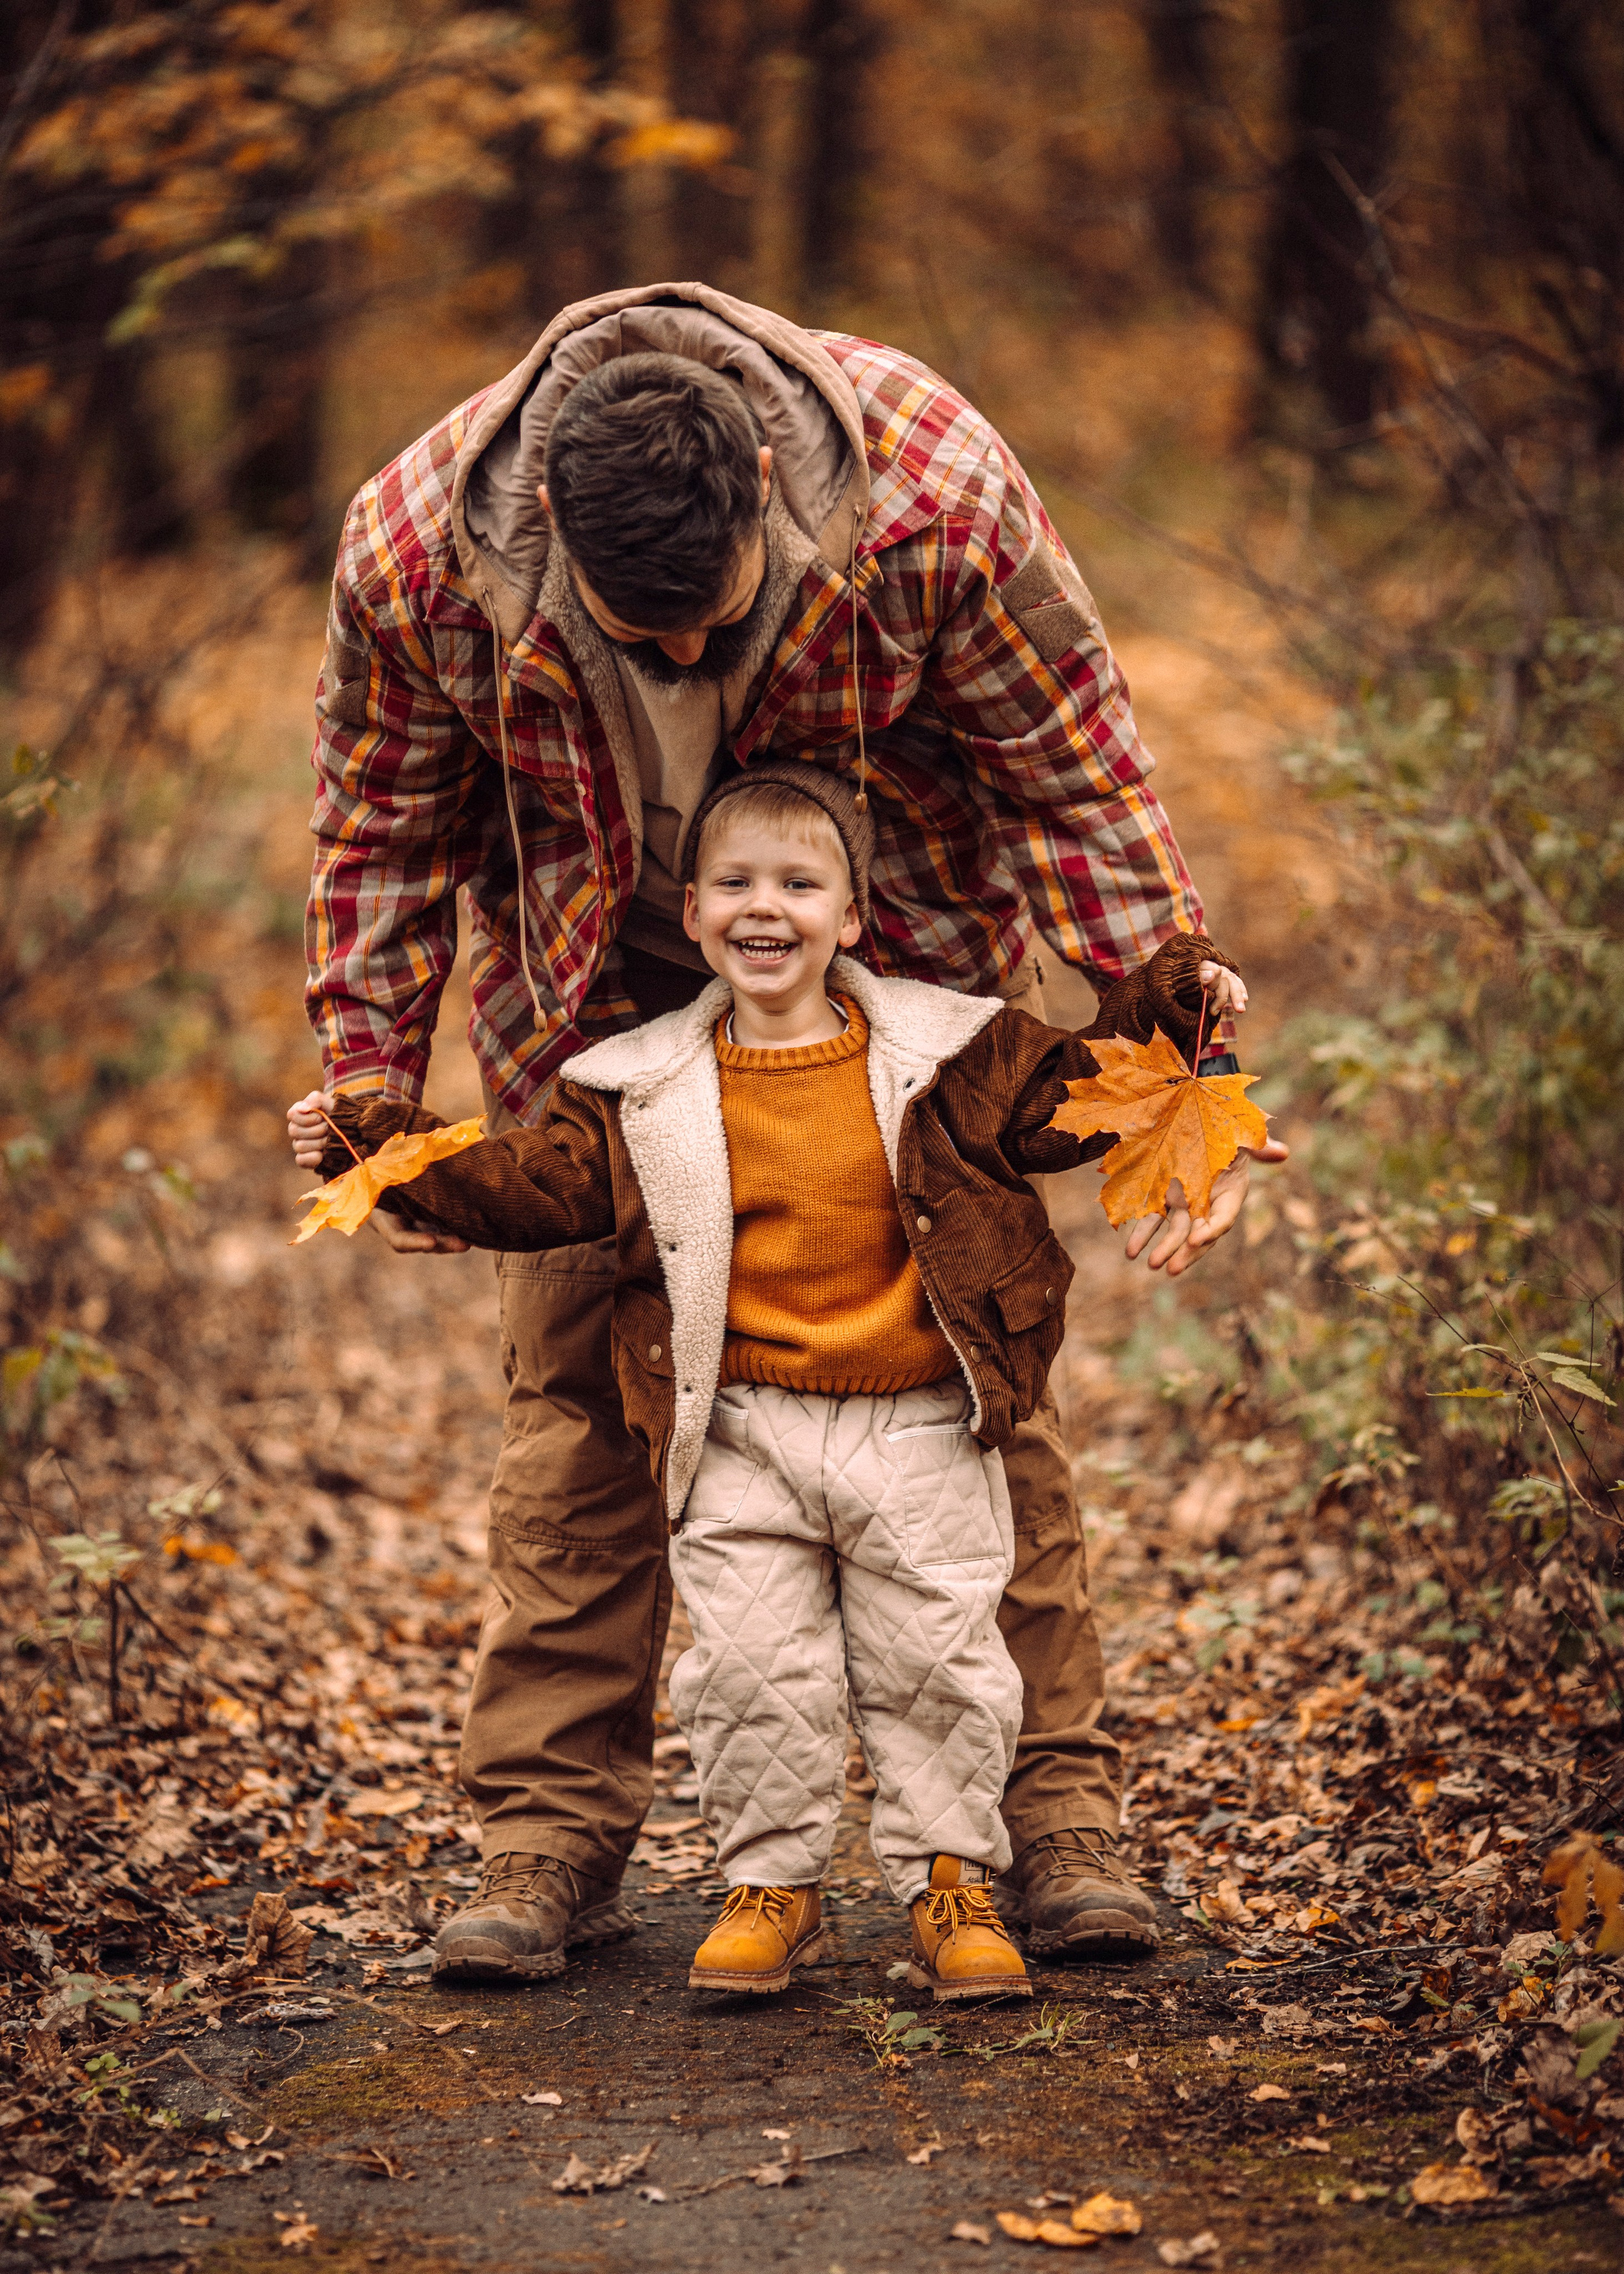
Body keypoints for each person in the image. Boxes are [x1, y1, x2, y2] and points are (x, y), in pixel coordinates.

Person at [303, 281, 1285, 1983]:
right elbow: (383, 834)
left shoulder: (934, 498)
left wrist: (1174, 1062)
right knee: (579, 1411)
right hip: (592, 1005)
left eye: (711, 618)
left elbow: (1075, 777)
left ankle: (1052, 1817)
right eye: (641, 631)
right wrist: (379, 1104)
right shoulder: (415, 560)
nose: (683, 660)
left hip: (906, 991)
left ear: (765, 482)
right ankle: (547, 1836)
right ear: (553, 532)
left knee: (969, 1390)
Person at [290, 761, 1252, 1998]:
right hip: (742, 1435)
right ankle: (773, 1888)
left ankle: (951, 1886)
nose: (766, 906)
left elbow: (1084, 1099)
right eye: (735, 883)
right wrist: (377, 1146)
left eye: (799, 884)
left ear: (852, 915)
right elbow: (535, 1186)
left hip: (918, 1428)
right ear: (690, 914)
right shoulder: (633, 1085)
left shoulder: (956, 1050)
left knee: (940, 1667)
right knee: (752, 1673)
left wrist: (1174, 993)